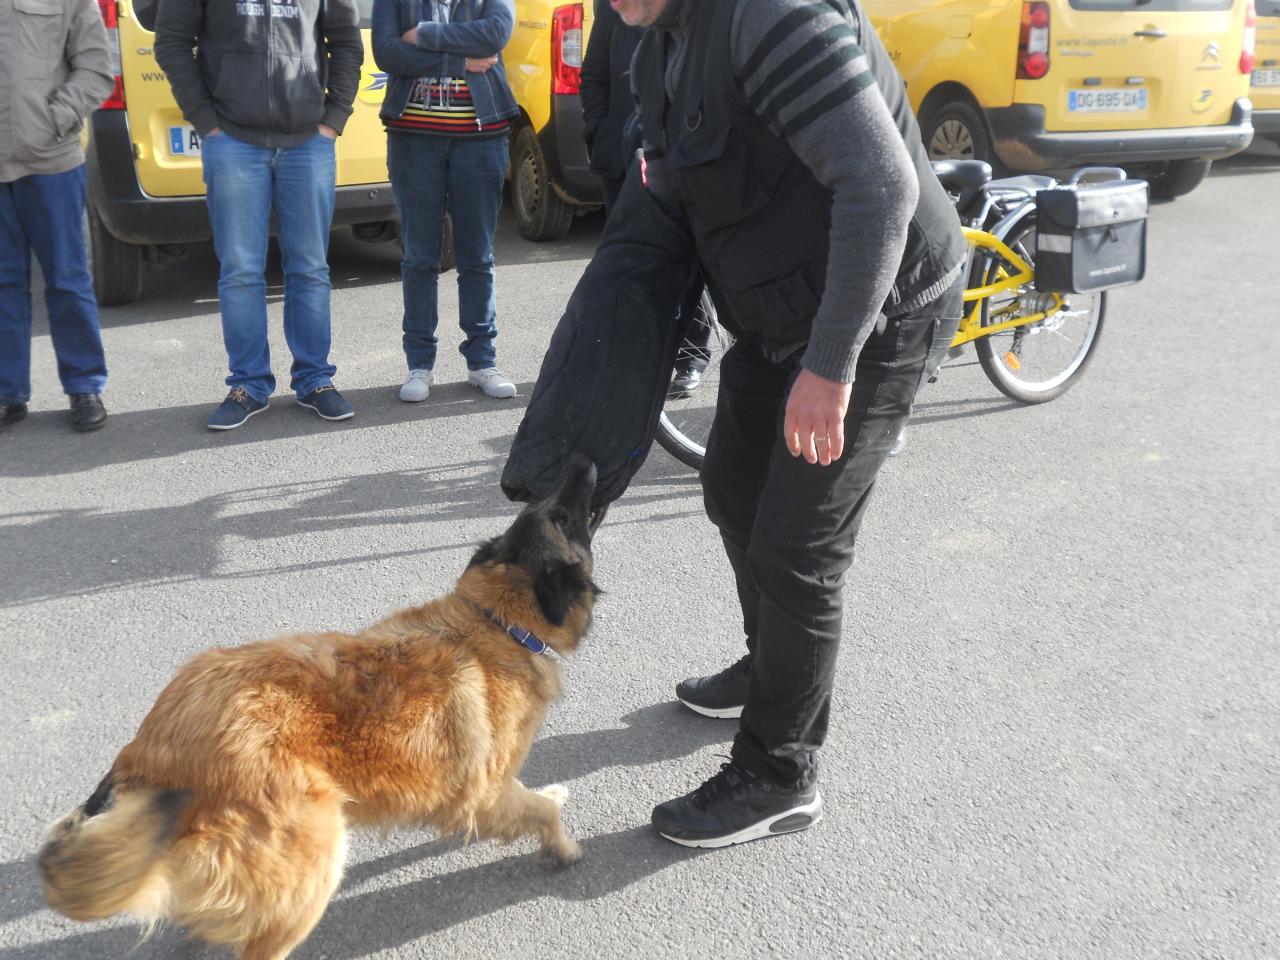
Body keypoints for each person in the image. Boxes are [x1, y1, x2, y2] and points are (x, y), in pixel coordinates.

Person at [511, 0, 969, 848]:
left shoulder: (773, 17)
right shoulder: (658, 42)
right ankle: (773, 669)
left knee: (796, 544)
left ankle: (781, 771)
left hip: (875, 310)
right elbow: (664, 191)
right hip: (772, 313)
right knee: (730, 488)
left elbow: (880, 185)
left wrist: (831, 367)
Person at [154, 0, 363, 430]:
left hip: (308, 140)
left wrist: (333, 118)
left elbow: (346, 42)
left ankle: (315, 380)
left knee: (310, 267)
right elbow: (172, 43)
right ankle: (248, 385)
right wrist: (205, 120)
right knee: (241, 271)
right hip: (232, 140)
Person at [372, 0, 520, 404]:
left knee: (478, 257)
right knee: (420, 256)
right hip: (413, 139)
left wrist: (421, 35)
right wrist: (456, 63)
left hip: (481, 140)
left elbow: (494, 36)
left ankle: (482, 362)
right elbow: (386, 52)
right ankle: (419, 364)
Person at [580, 0, 706, 397]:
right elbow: (594, 74)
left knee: (684, 261)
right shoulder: (611, 8)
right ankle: (634, 358)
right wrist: (599, 131)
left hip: (677, 159)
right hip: (619, 160)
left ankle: (690, 356)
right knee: (626, 267)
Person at [0, 0, 114, 433]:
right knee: (3, 282)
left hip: (51, 161)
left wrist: (55, 118)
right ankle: (7, 392)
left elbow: (96, 68)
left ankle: (84, 386)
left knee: (67, 278)